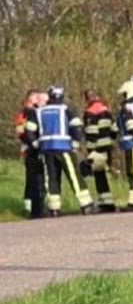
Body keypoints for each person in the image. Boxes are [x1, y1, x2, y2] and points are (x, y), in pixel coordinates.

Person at [33, 87, 95, 215]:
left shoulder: (39, 111)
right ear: (61, 97)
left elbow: (30, 130)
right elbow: (77, 126)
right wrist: (75, 143)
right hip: (64, 148)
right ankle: (86, 204)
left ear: (50, 97)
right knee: (74, 175)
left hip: (46, 149)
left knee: (51, 178)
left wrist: (36, 144)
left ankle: (54, 208)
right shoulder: (66, 110)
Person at [79, 91, 118, 212]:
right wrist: (110, 140)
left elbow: (91, 132)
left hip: (96, 148)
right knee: (105, 173)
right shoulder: (107, 110)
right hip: (107, 146)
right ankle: (108, 201)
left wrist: (90, 150)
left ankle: (105, 203)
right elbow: (115, 129)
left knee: (99, 175)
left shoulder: (90, 112)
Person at [15, 90, 48, 218]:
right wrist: (33, 143)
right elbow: (21, 132)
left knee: (38, 178)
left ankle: (36, 205)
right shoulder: (23, 114)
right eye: (35, 99)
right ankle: (30, 206)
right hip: (30, 150)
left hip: (36, 148)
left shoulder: (36, 113)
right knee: (32, 179)